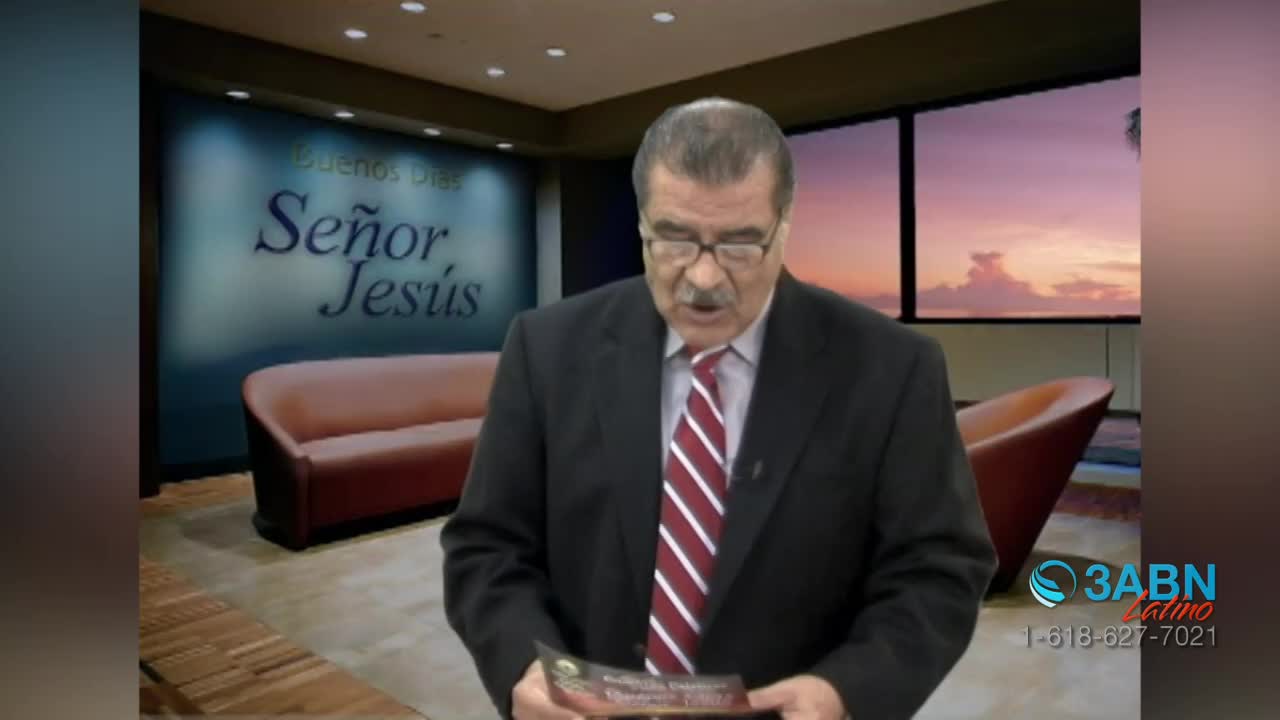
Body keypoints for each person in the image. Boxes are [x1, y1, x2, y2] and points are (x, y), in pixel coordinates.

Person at [441, 97, 997, 720]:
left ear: (784, 226)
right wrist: (522, 664)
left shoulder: (893, 368)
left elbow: (939, 570)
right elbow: (486, 547)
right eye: (675, 239)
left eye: (738, 244)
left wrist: (846, 691)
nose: (703, 279)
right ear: (642, 226)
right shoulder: (545, 348)